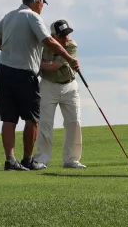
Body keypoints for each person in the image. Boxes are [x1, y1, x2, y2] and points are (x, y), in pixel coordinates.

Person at [0, 0, 81, 171]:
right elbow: (48, 41)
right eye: (42, 4)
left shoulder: (10, 16)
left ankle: (10, 160)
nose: (42, 7)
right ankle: (28, 160)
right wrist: (70, 59)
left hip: (3, 71)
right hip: (23, 73)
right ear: (38, 1)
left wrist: (6, 49)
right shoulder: (33, 16)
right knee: (32, 119)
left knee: (9, 118)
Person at [34, 19, 86, 169]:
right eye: (62, 35)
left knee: (74, 122)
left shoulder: (71, 45)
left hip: (70, 86)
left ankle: (71, 159)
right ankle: (42, 159)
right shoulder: (42, 45)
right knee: (45, 123)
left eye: (67, 34)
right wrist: (39, 64)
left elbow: (54, 66)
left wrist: (38, 63)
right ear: (53, 36)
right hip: (48, 86)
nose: (66, 38)